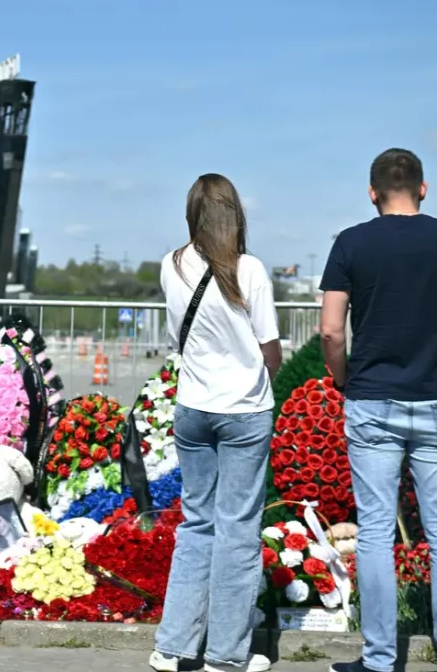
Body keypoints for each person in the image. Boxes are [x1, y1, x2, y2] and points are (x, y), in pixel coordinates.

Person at [319, 148, 437, 672]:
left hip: (371, 401)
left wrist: (343, 378)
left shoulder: (351, 243)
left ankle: (378, 660)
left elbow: (329, 329)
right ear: (423, 188)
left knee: (372, 533)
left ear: (372, 193)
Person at [151, 173, 282, 672]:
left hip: (192, 408)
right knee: (238, 531)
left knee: (196, 524)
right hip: (243, 411)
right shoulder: (249, 269)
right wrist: (257, 373)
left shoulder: (172, 264)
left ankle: (172, 646)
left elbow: (177, 337)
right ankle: (227, 655)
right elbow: (270, 348)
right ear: (236, 215)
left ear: (192, 215)